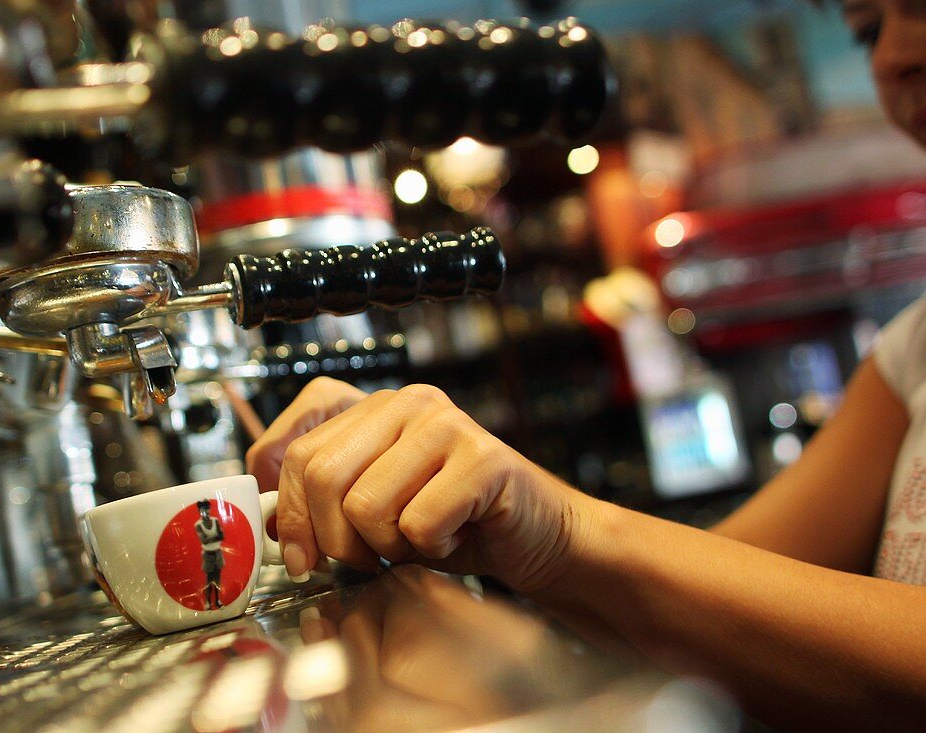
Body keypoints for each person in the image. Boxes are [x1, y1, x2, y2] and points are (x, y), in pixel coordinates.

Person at [244, 1, 926, 729]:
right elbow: (710, 606)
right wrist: (496, 516)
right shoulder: (912, 346)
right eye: (867, 29)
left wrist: (562, 526)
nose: (891, 57)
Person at [195, 499, 226, 609]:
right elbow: (204, 540)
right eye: (203, 509)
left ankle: (217, 600)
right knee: (209, 580)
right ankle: (208, 602)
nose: (206, 511)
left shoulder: (215, 520)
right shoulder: (198, 525)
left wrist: (210, 538)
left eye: (207, 509)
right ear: (199, 511)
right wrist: (215, 536)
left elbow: (222, 536)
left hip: (217, 552)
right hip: (208, 554)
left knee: (217, 579)